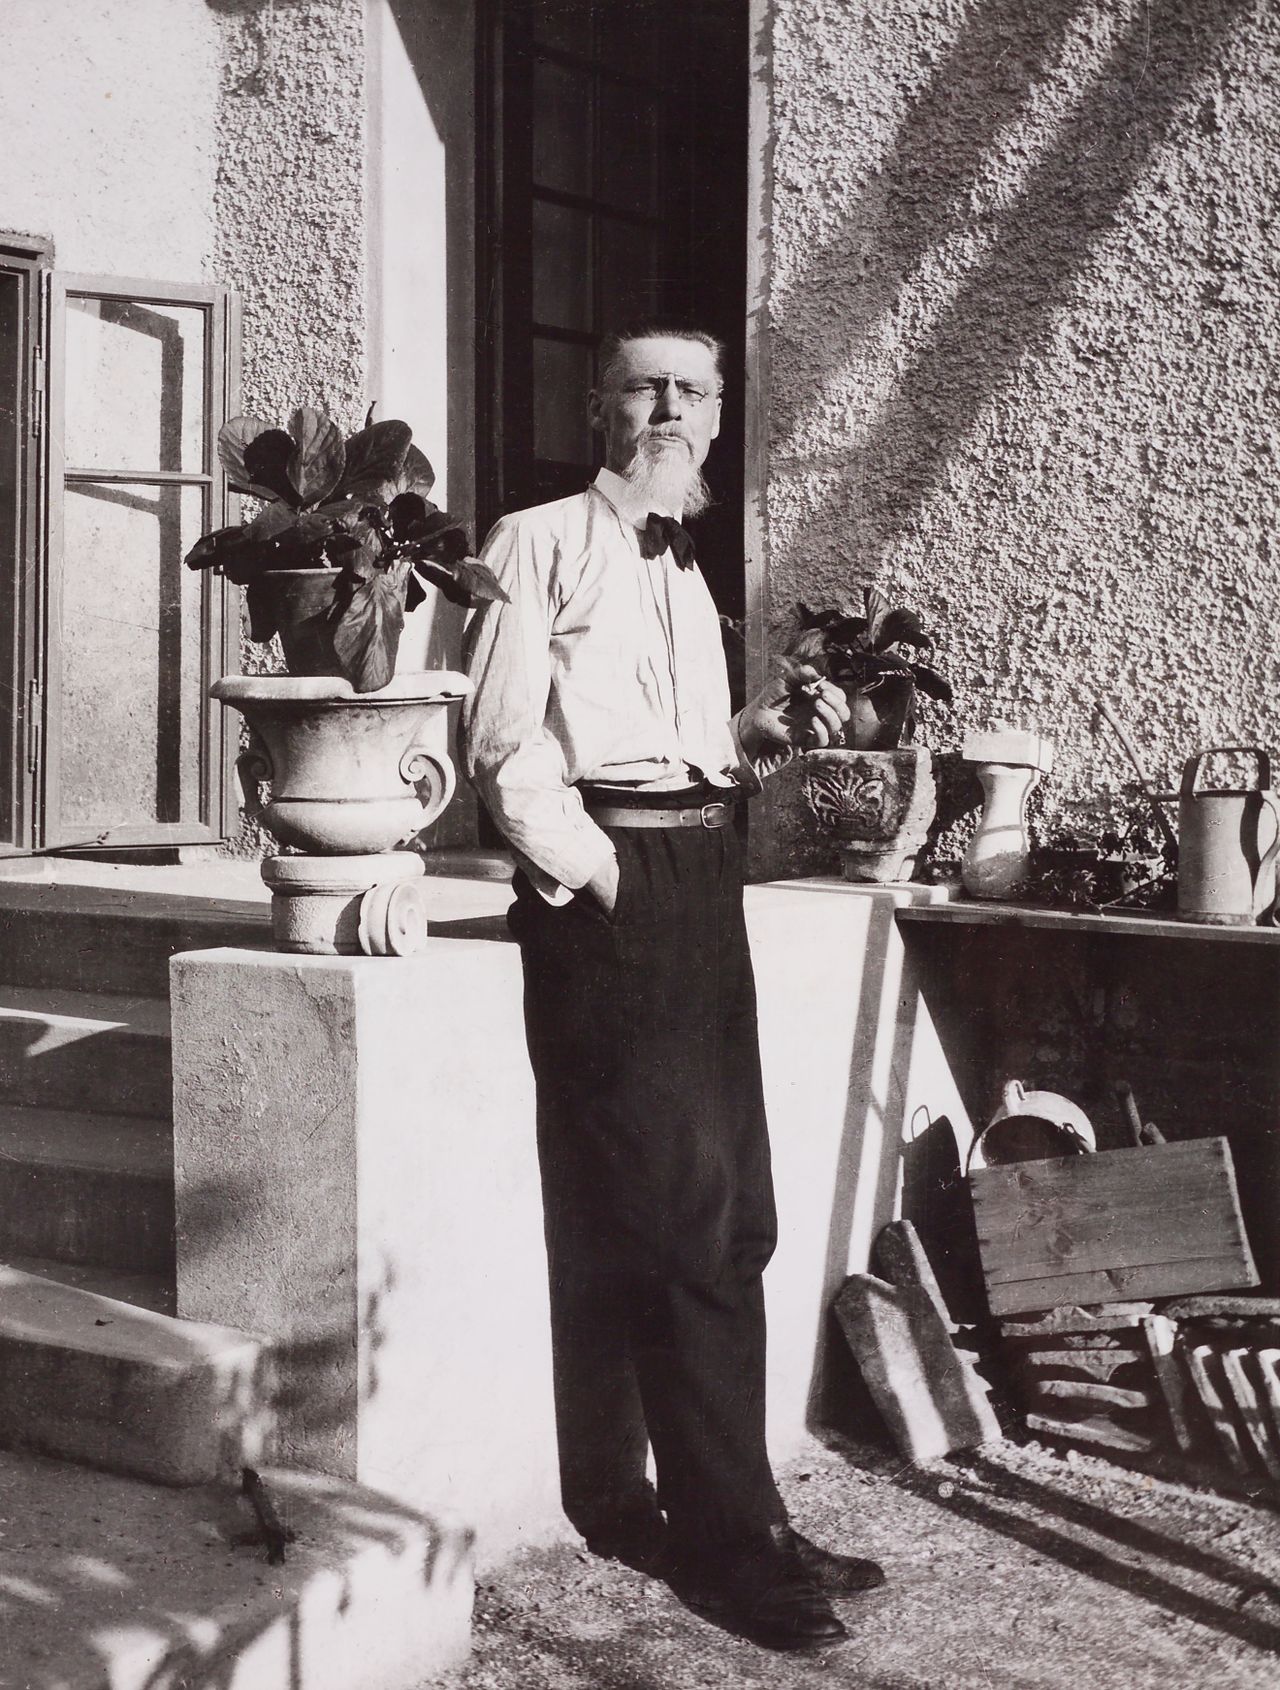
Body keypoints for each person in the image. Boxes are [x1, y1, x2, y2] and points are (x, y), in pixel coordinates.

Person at [461, 327, 883, 1653]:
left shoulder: (685, 559)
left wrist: (745, 735)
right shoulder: (536, 539)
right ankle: (721, 1547)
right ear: (599, 406)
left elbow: (665, 738)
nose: (667, 409)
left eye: (689, 392)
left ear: (713, 417)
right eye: (642, 387)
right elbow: (500, 744)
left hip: (705, 880)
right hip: (625, 896)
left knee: (738, 1208)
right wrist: (604, 877)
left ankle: (739, 1499)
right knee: (674, 1218)